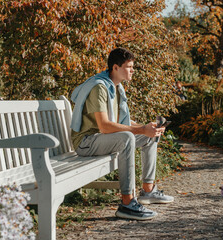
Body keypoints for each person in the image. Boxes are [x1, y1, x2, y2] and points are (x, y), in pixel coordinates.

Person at [70, 47, 174, 221]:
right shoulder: (100, 88)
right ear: (115, 68)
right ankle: (127, 203)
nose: (132, 70)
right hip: (86, 142)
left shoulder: (115, 87)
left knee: (150, 135)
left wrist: (147, 128)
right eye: (129, 66)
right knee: (128, 138)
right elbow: (105, 126)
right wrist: (141, 130)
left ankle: (148, 191)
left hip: (102, 139)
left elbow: (122, 123)